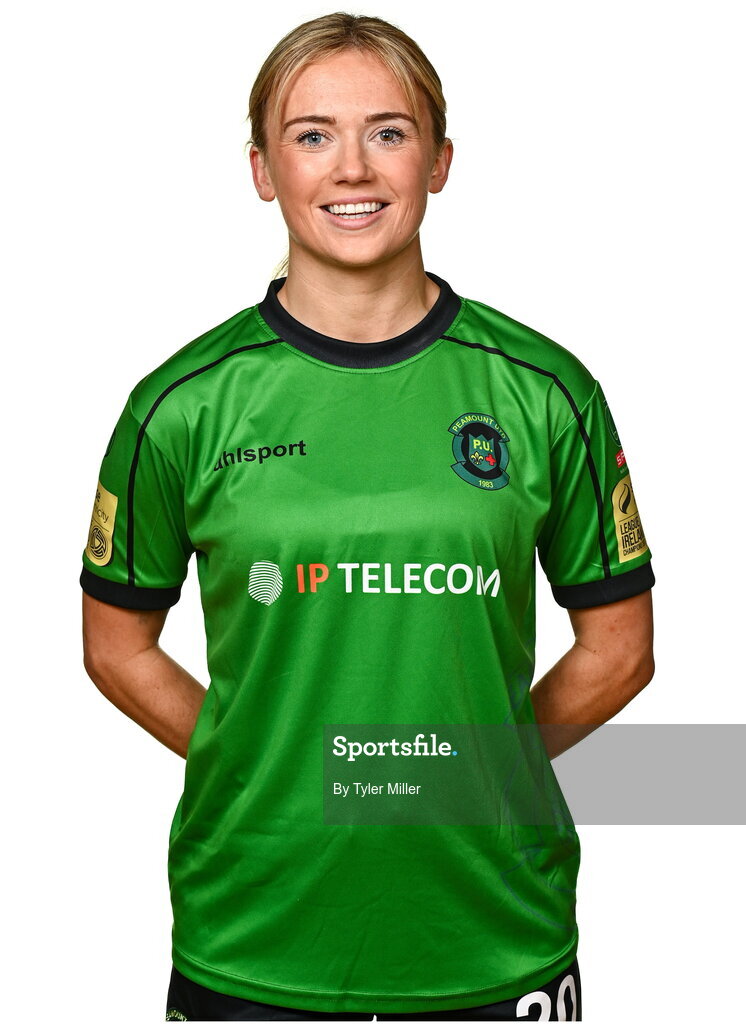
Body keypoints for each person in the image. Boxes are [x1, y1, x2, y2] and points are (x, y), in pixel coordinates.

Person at [81, 11, 655, 1022]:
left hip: (490, 933)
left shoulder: (543, 390)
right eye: (311, 135)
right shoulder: (180, 404)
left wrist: (470, 762)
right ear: (262, 169)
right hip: (255, 932)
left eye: (387, 132)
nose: (351, 168)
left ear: (438, 160)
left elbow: (618, 648)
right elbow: (114, 644)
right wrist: (263, 758)